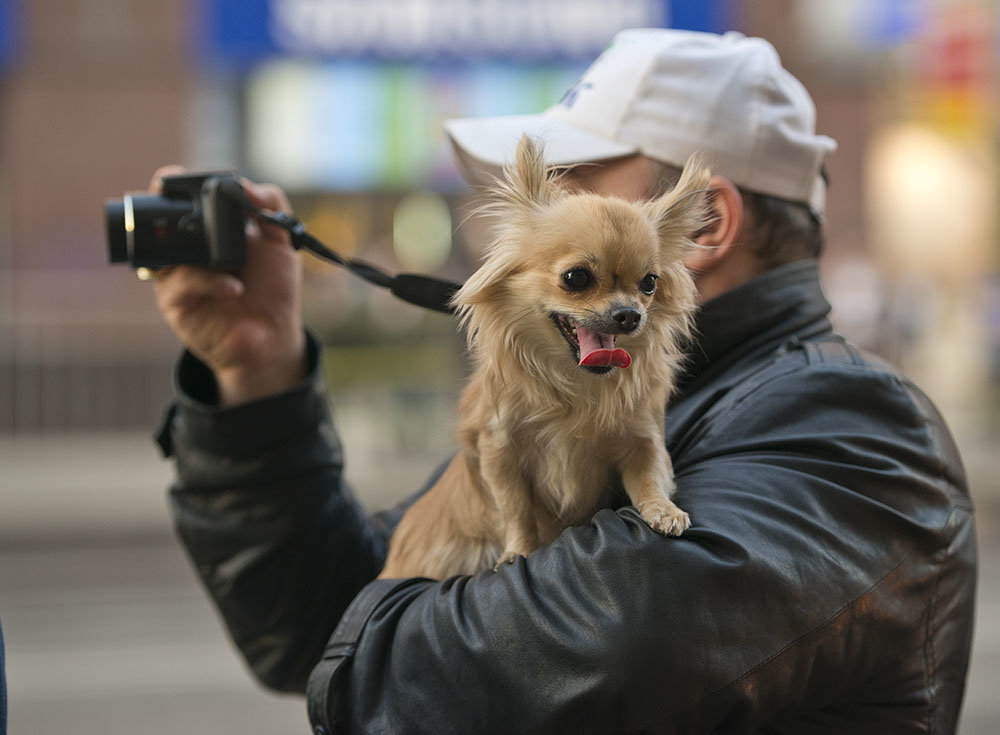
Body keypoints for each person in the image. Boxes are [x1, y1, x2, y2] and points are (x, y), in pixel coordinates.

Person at [150, 29, 977, 734]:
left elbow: (575, 649)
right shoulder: (572, 385)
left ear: (704, 228)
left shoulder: (855, 428)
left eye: (574, 185)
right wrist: (256, 370)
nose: (536, 225)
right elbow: (313, 629)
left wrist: (370, 639)